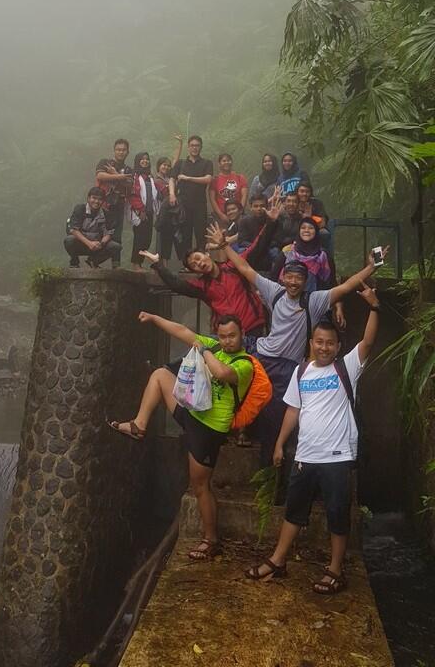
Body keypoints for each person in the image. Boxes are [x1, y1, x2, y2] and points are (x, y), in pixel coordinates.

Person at [206, 222, 385, 463]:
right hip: (260, 353)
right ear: (282, 277)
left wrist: (372, 267)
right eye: (289, 276)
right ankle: (217, 431)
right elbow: (245, 269)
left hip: (287, 367)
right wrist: (225, 246)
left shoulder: (314, 300)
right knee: (213, 358)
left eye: (298, 277)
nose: (292, 281)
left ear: (305, 281)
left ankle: (271, 465)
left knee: (275, 413)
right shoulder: (275, 292)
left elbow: (346, 286)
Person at [246, 284, 382, 594]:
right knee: (294, 510)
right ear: (311, 343)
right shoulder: (301, 372)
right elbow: (292, 411)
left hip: (336, 458)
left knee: (337, 513)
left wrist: (374, 308)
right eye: (319, 342)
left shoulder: (346, 368)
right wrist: (280, 444)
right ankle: (278, 560)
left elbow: (368, 341)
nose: (323, 347)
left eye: (330, 343)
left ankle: (336, 569)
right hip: (305, 457)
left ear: (337, 346)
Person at [108, 311, 252, 561]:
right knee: (160, 376)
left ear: (242, 335)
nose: (227, 341)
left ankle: (211, 540)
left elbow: (220, 373)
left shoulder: (244, 364)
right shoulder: (212, 346)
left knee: (200, 486)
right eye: (222, 336)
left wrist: (205, 350)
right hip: (193, 413)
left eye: (232, 336)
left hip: (210, 430)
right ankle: (139, 424)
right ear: (217, 334)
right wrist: (154, 318)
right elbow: (181, 331)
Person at [140, 211, 279, 338]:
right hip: (228, 335)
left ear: (207, 254)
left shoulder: (233, 267)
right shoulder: (202, 286)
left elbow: (257, 247)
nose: (199, 263)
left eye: (199, 258)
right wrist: (158, 264)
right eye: (194, 265)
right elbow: (177, 285)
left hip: (253, 327)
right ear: (195, 271)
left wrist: (271, 222)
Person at [169, 135, 214, 256]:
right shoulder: (181, 163)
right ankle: (187, 263)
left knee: (201, 233)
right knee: (185, 234)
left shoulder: (206, 163)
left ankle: (202, 259)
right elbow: (172, 179)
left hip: (200, 204)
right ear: (188, 147)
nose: (195, 148)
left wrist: (188, 178)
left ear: (201, 147)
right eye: (192, 145)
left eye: (197, 145)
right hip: (183, 204)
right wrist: (172, 194)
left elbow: (208, 179)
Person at [95, 139, 133, 266]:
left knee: (117, 236)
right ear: (114, 150)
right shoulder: (105, 162)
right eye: (118, 149)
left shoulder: (128, 169)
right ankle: (94, 260)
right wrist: (120, 177)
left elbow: (129, 185)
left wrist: (115, 174)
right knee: (99, 234)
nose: (121, 152)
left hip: (119, 206)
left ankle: (116, 264)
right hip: (102, 205)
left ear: (127, 152)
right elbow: (100, 176)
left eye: (123, 150)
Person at [64, 187, 122, 267]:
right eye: (94, 198)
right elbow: (73, 230)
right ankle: (74, 262)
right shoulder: (80, 209)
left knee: (116, 246)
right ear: (88, 198)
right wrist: (89, 243)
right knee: (69, 240)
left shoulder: (106, 214)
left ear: (103, 201)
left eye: (100, 199)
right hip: (82, 243)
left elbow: (109, 233)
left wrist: (101, 243)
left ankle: (94, 261)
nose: (96, 201)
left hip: (97, 244)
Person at [281, 218, 332, 295]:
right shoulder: (288, 251)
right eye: (303, 228)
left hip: (313, 299)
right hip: (287, 298)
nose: (306, 230)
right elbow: (274, 274)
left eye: (311, 228)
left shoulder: (322, 255)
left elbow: (329, 281)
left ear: (316, 231)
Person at [129, 153, 160, 270]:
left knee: (147, 239)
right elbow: (133, 194)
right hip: (140, 212)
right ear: (138, 161)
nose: (145, 161)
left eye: (147, 159)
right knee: (139, 238)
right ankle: (136, 264)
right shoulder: (135, 176)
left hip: (150, 212)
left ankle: (140, 263)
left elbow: (157, 190)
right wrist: (140, 210)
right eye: (142, 159)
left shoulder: (150, 177)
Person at [209, 153, 248, 225]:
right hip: (221, 216)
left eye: (229, 160)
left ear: (232, 162)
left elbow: (244, 196)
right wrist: (221, 215)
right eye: (224, 161)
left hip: (239, 216)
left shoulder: (240, 178)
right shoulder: (215, 180)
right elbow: (212, 199)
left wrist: (240, 212)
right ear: (219, 164)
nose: (226, 162)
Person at [296, 181, 332, 251]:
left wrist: (309, 219)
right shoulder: (293, 203)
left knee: (324, 233)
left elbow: (322, 223)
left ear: (310, 193)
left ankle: (323, 255)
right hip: (296, 230)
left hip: (314, 231)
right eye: (302, 191)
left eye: (307, 192)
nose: (304, 194)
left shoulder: (317, 203)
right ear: (297, 192)